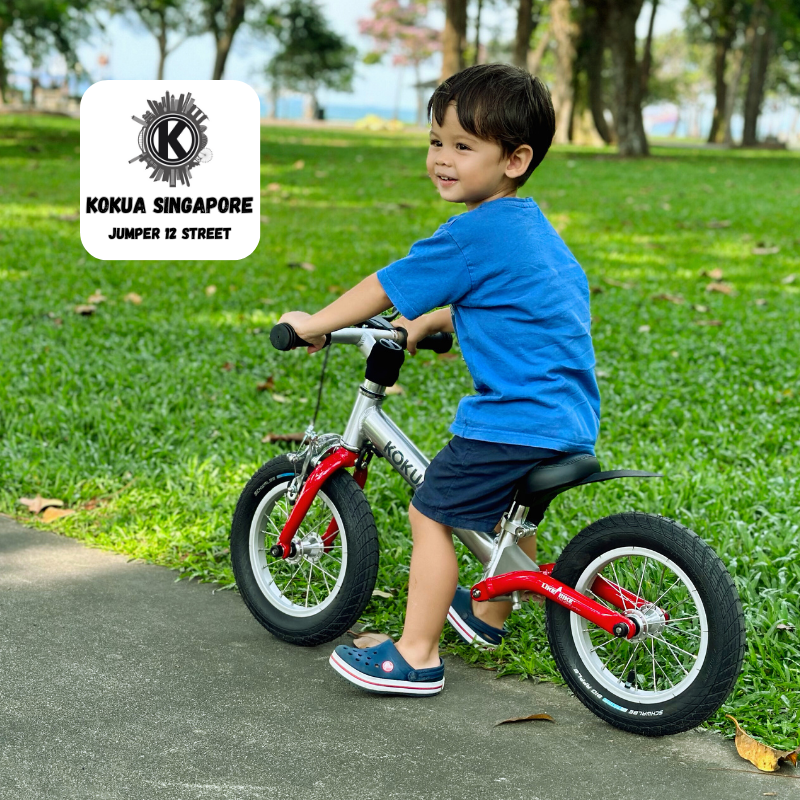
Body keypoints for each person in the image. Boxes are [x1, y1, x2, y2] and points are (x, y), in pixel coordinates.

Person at [278, 63, 600, 696]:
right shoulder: (527, 225)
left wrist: (315, 322)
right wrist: (427, 321)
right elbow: (508, 296)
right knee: (514, 516)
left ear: (515, 158)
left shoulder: (471, 234)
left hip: (514, 417)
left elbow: (384, 285)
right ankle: (488, 613)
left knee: (430, 512)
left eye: (462, 146)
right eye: (435, 141)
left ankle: (416, 654)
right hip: (566, 415)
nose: (441, 159)